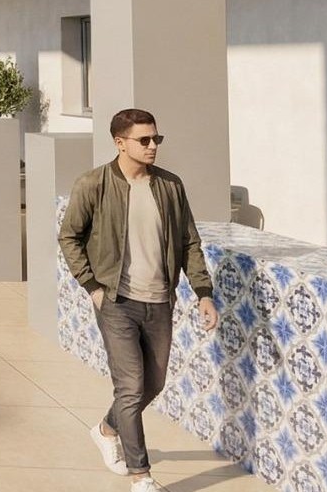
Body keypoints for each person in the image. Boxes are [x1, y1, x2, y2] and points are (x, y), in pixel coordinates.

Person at [59, 108, 219, 492]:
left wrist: (203, 293)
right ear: (120, 143)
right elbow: (69, 237)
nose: (152, 146)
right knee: (130, 386)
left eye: (156, 139)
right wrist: (92, 287)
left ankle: (106, 429)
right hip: (116, 300)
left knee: (153, 384)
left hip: (160, 300)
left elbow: (189, 242)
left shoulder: (170, 186)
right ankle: (141, 476)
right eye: (144, 140)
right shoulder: (93, 184)